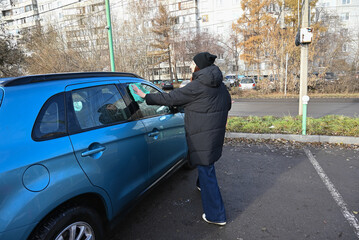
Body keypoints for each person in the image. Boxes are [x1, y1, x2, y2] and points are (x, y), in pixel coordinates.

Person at [132, 52, 231, 226]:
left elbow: (170, 98)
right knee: (207, 163)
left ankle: (216, 215)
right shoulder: (219, 85)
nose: (191, 66)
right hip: (214, 133)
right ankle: (202, 185)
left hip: (201, 134)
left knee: (206, 168)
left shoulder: (198, 85)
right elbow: (227, 104)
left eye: (193, 64)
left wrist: (145, 96)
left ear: (199, 66)